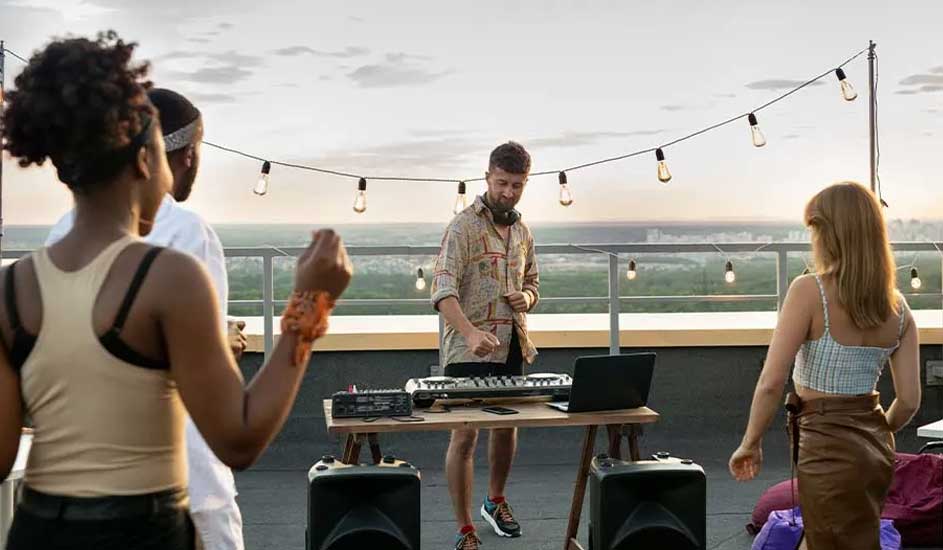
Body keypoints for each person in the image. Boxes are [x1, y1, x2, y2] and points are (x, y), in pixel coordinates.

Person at [0, 31, 352, 550]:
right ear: (144, 159)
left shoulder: (11, 288)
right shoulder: (169, 277)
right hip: (144, 530)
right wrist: (310, 305)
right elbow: (239, 438)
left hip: (39, 532)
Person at [44, 87, 248, 550]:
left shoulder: (64, 230)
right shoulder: (190, 231)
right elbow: (199, 368)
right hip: (184, 479)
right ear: (188, 155)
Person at [729, 182, 921, 550]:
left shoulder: (808, 292)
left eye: (814, 229)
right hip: (875, 448)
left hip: (824, 446)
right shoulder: (900, 311)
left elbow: (771, 382)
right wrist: (876, 434)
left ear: (829, 233)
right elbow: (909, 400)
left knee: (825, 540)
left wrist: (749, 443)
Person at [431, 142, 540, 550]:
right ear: (487, 177)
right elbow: (442, 292)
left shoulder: (524, 232)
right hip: (467, 351)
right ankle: (465, 530)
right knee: (464, 436)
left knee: (506, 427)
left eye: (517, 185)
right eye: (502, 183)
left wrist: (526, 300)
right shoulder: (462, 228)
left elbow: (533, 284)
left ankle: (495, 502)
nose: (509, 193)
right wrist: (471, 332)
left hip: (512, 345)